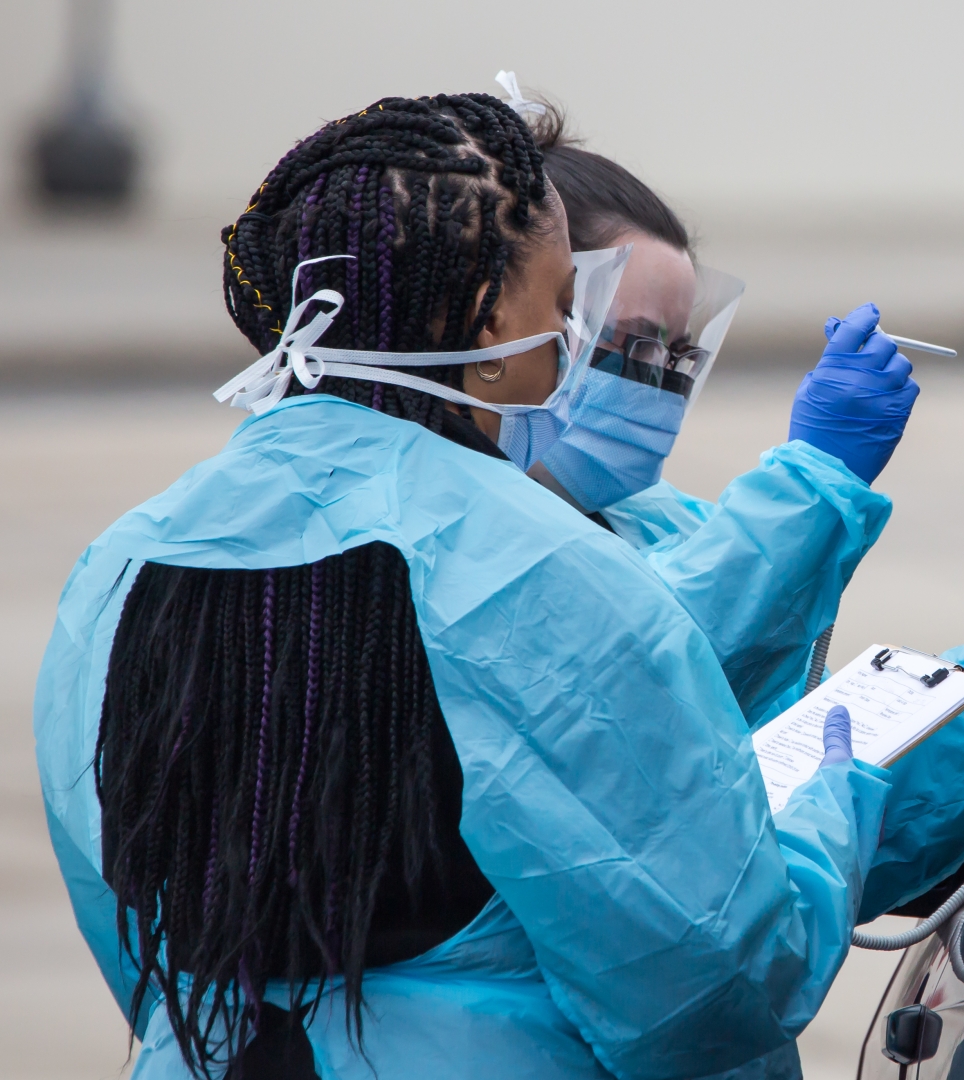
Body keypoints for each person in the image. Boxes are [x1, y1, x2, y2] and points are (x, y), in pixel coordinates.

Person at [37, 92, 916, 1079]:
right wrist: (835, 813)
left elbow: (123, 919)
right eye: (558, 310)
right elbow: (711, 986)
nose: (565, 352)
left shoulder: (118, 563)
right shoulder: (542, 569)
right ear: (490, 310)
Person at [521, 109, 964, 925]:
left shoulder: (659, 524)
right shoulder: (443, 536)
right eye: (631, 345)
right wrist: (816, 483)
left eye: (678, 353)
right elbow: (647, 691)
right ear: (520, 319)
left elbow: (774, 837)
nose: (657, 382)